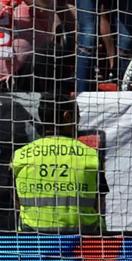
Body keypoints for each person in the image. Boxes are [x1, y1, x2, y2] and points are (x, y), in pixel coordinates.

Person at [11, 93, 108, 234]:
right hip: (83, 242)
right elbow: (99, 204)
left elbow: (17, 202)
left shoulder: (21, 155)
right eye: (77, 117)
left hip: (32, 242)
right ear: (67, 117)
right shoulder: (90, 156)